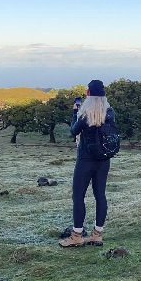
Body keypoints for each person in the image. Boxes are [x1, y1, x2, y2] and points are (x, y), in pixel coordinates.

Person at [59, 80, 117, 248]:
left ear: (88, 94)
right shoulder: (110, 112)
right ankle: (97, 235)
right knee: (100, 195)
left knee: (78, 197)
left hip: (85, 160)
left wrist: (74, 113)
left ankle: (77, 235)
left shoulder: (85, 115)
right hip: (104, 160)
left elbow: (73, 131)